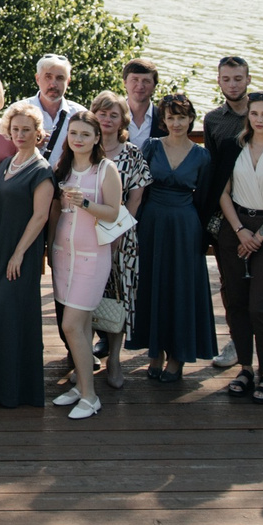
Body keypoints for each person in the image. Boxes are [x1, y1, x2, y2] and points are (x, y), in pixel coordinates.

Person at [0, 106, 57, 410]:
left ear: (38, 134)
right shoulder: (6, 163)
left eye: (26, 130)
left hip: (21, 251)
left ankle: (13, 390)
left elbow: (40, 216)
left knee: (2, 315)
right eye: (16, 129)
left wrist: (19, 253)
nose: (20, 135)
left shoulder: (42, 170)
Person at [133, 94, 218, 383]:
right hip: (152, 222)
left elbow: (205, 199)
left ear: (191, 119)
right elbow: (139, 189)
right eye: (171, 117)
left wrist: (202, 236)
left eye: (182, 117)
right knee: (153, 284)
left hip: (185, 224)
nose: (177, 123)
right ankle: (154, 351)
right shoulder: (152, 147)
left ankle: (178, 355)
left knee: (180, 287)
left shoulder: (202, 155)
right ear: (163, 121)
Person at [43, 112, 120, 418]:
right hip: (63, 256)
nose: (78, 139)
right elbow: (52, 214)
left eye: (85, 134)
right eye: (73, 133)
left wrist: (85, 203)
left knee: (70, 324)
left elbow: (114, 213)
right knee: (82, 328)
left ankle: (90, 396)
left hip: (93, 258)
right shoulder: (61, 168)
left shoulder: (105, 169)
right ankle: (81, 387)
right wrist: (48, 248)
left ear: (97, 138)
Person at [217, 92, 263, 404]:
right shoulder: (233, 146)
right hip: (235, 227)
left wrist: (258, 234)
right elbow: (222, 192)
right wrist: (240, 230)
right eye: (254, 113)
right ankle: (246, 368)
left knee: (260, 305)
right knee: (235, 301)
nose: (259, 119)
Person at [91, 91, 152, 392]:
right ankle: (82, 358)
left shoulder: (133, 154)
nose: (107, 119)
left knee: (119, 297)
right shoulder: (83, 149)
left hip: (121, 236)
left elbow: (136, 198)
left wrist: (116, 233)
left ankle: (114, 359)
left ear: (122, 120)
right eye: (102, 113)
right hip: (84, 236)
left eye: (113, 114)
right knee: (83, 298)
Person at [197, 56, 249, 371]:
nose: (232, 84)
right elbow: (214, 168)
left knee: (260, 287)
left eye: (238, 78)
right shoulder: (213, 120)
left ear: (248, 79)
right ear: (218, 81)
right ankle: (237, 341)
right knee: (230, 283)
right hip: (227, 212)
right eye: (226, 79)